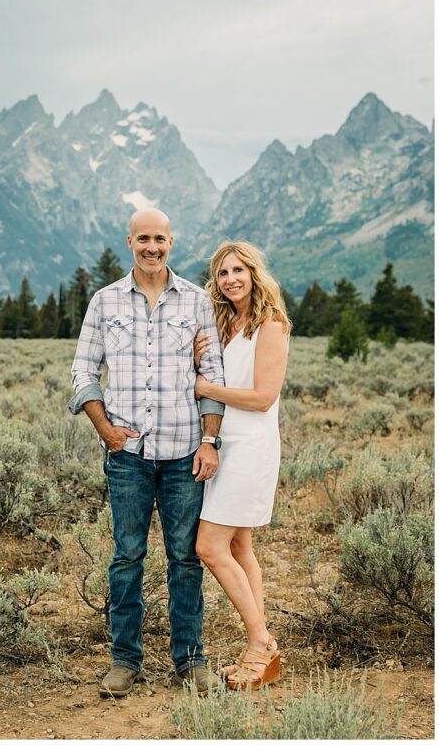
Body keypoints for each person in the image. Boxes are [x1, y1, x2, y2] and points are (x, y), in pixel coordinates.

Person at [69, 207, 226, 697]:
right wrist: (105, 428)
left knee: (184, 558)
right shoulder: (105, 300)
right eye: (143, 239)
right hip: (128, 456)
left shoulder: (198, 303)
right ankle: (125, 661)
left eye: (160, 238)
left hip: (184, 453)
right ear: (130, 241)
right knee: (127, 557)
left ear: (171, 242)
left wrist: (209, 439)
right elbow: (82, 372)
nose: (152, 247)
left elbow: (213, 377)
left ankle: (190, 660)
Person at [191, 241, 290, 691]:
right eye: (222, 273)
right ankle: (262, 650)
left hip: (250, 446)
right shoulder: (227, 322)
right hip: (224, 444)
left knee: (210, 547)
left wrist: (205, 387)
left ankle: (259, 643)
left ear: (253, 273)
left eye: (237, 270)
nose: (230, 279)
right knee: (240, 548)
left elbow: (263, 397)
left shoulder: (271, 325)